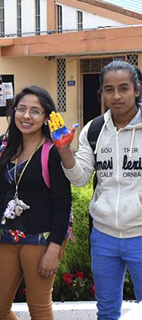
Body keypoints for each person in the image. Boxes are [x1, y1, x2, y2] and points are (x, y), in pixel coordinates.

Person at [55, 60, 142, 319]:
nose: (116, 96)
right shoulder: (94, 130)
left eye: (124, 88)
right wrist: (64, 151)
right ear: (102, 93)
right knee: (106, 311)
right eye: (109, 89)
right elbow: (80, 178)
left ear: (137, 90)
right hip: (104, 236)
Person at [0, 86, 72, 320]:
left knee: (39, 308)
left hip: (41, 240)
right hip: (6, 237)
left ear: (46, 117)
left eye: (35, 111)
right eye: (21, 109)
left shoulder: (52, 151)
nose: (26, 116)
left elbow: (63, 203)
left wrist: (54, 248)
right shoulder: (4, 145)